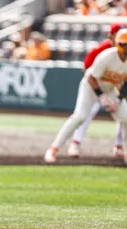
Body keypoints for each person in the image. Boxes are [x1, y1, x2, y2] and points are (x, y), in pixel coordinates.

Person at [44, 29, 127, 164]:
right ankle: (53, 149)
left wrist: (118, 99)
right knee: (80, 116)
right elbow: (91, 78)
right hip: (90, 87)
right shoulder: (106, 56)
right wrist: (101, 97)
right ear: (119, 44)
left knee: (126, 117)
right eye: (126, 44)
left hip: (110, 89)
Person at [67, 23, 125, 158]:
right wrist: (98, 92)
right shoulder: (102, 49)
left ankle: (119, 146)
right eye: (119, 33)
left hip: (113, 87)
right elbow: (87, 69)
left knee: (124, 114)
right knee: (86, 113)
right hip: (96, 87)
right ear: (111, 36)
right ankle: (75, 143)